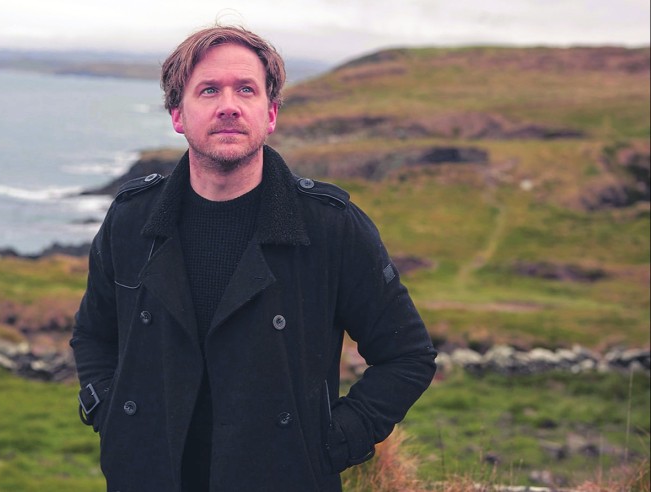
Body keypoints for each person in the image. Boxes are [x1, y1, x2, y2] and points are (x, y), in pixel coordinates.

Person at [70, 25, 437, 492]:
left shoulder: (330, 226)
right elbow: (93, 335)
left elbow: (407, 355)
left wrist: (331, 443)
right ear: (178, 114)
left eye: (246, 89)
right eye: (209, 90)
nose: (229, 105)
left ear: (271, 113)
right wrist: (109, 412)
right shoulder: (131, 220)